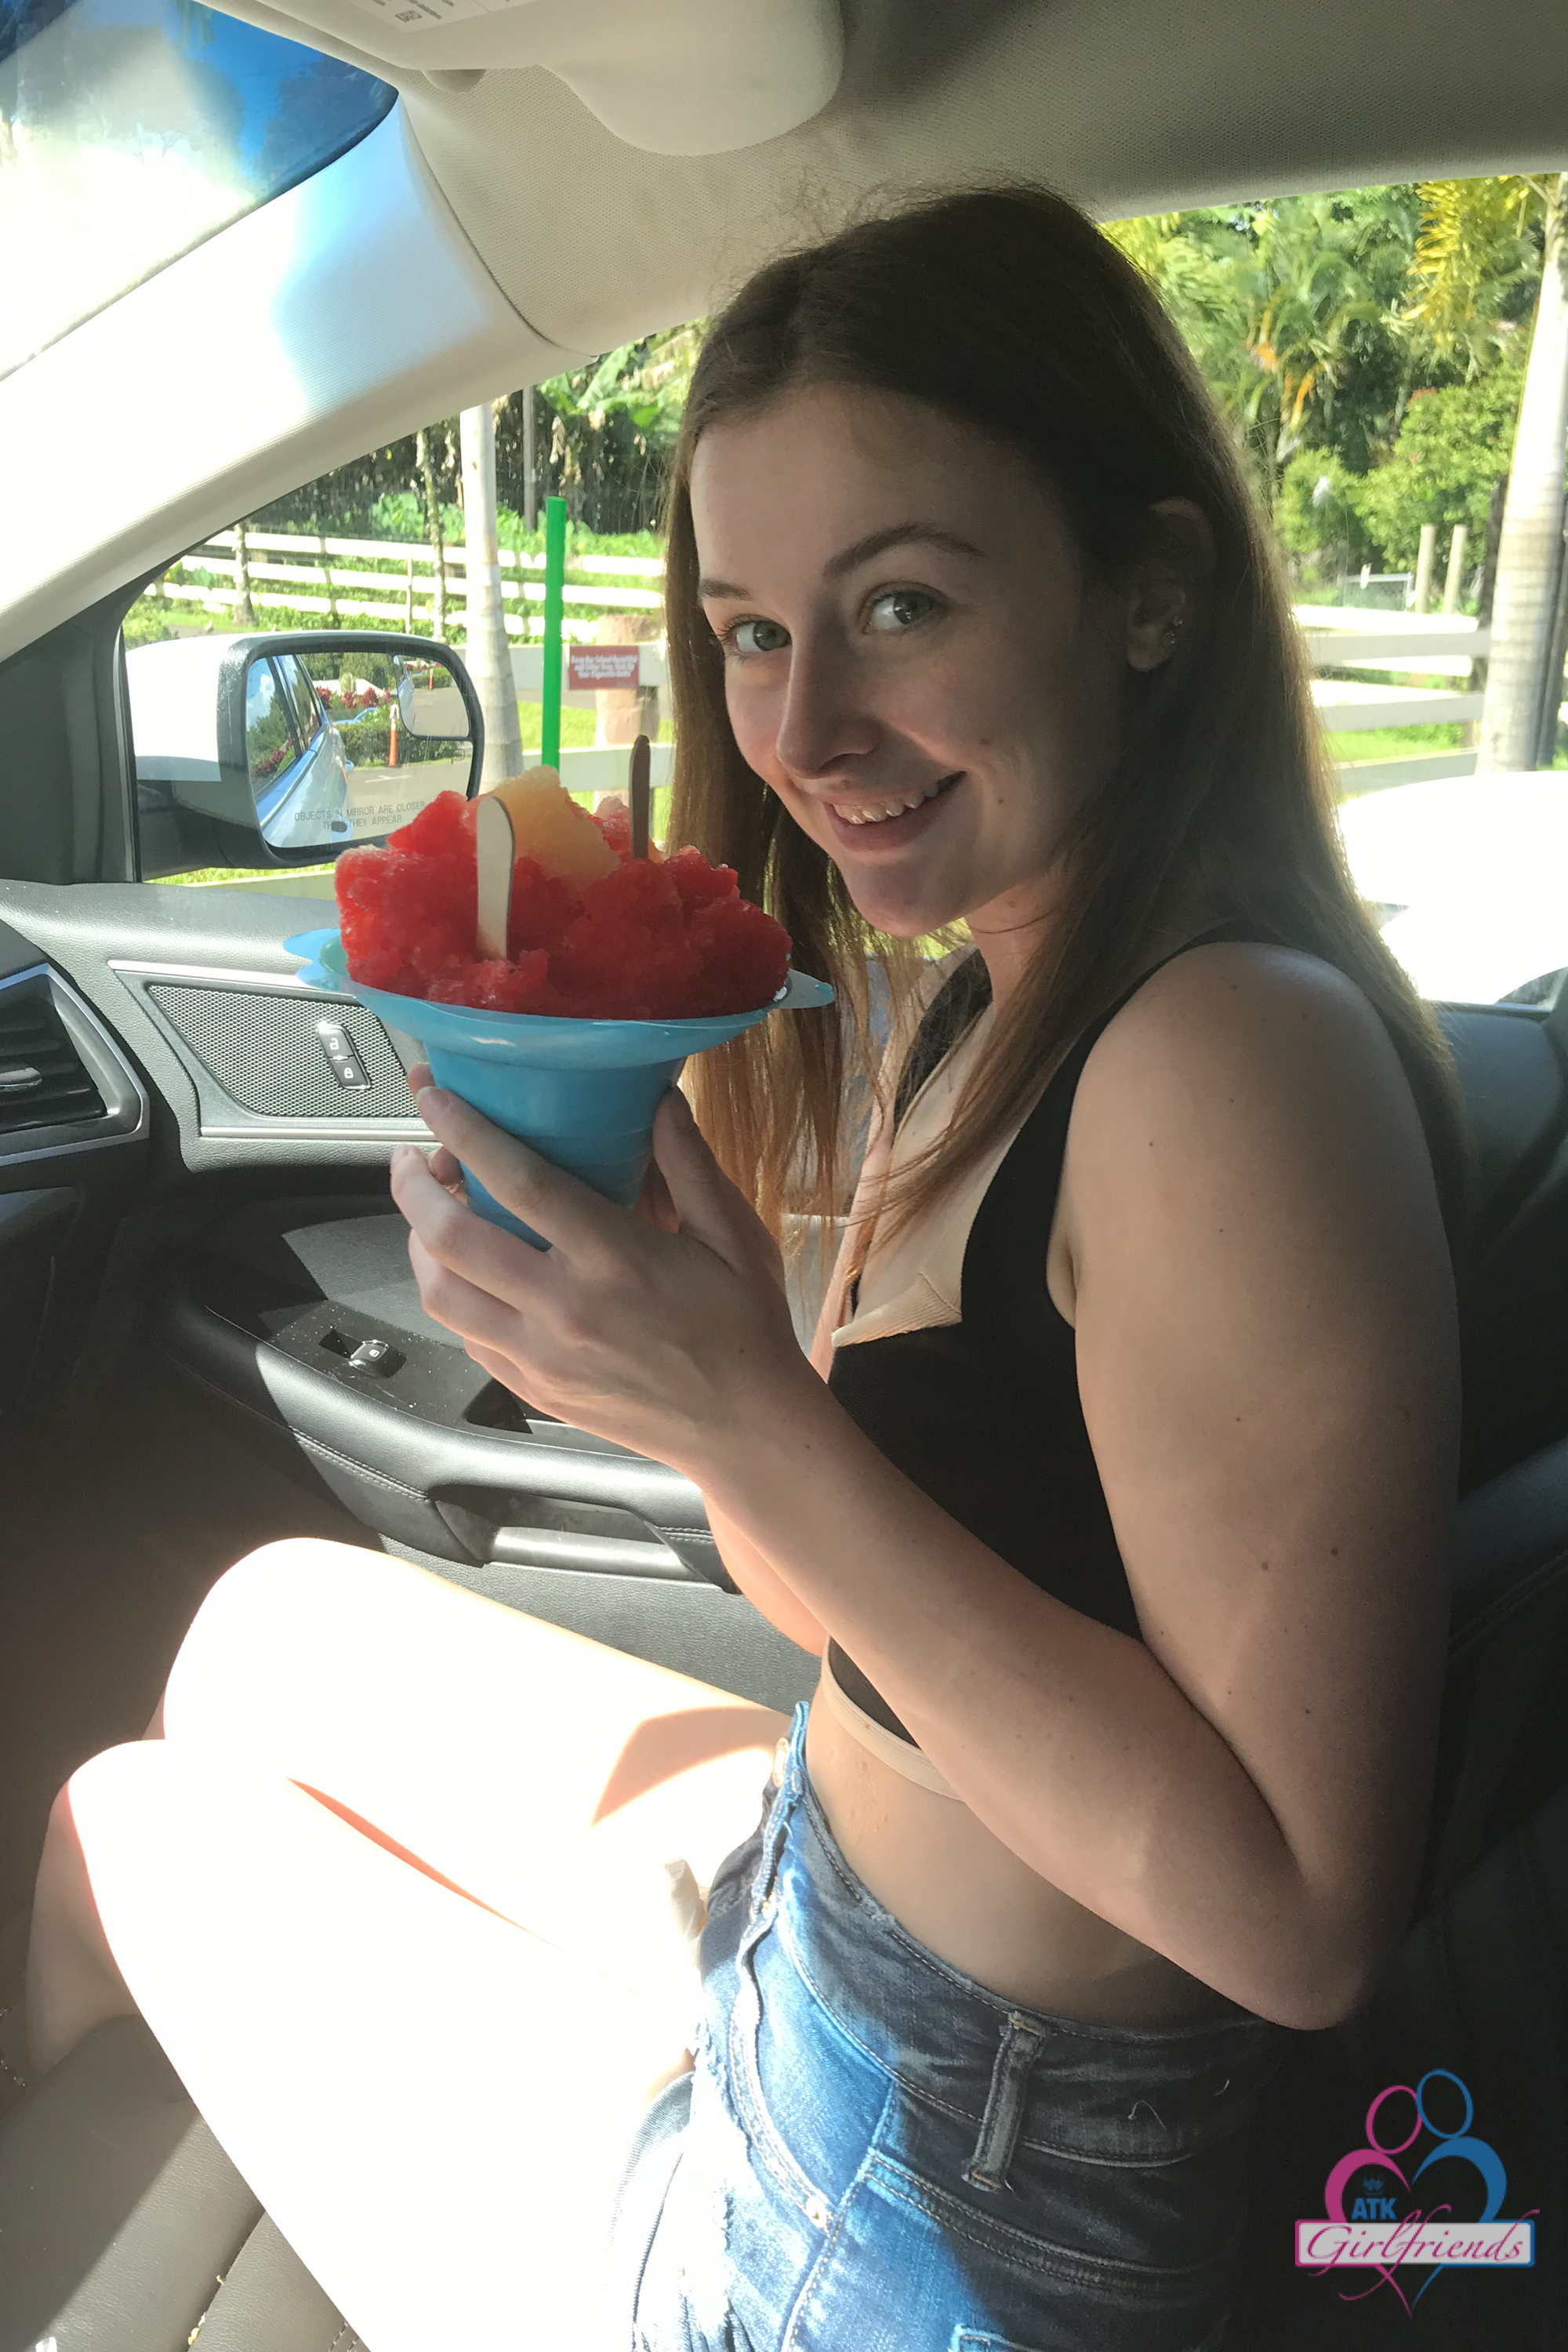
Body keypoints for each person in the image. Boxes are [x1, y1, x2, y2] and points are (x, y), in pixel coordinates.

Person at [24, 186, 1463, 2351]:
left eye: (901, 605)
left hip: (935, 2206)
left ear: (1149, 596)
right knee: (258, 1619)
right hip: (835, 1922)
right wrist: (665, 1387)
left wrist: (746, 1412)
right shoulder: (995, 991)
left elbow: (1296, 1920)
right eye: (754, 632)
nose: (800, 733)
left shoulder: (1225, 1057)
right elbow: (853, 1598)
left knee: (122, 1821)